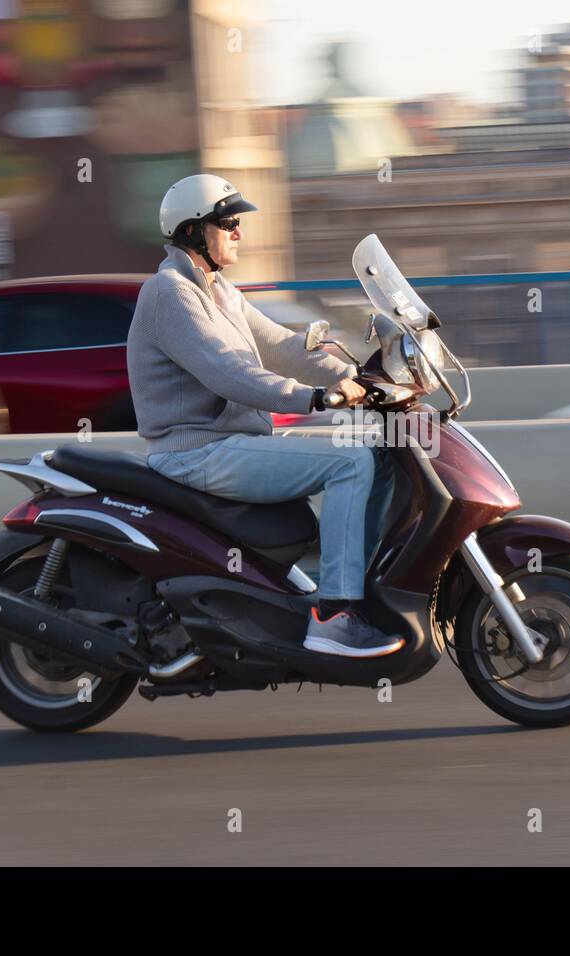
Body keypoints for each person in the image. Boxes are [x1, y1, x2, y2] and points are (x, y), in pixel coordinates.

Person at [127, 173, 404, 658]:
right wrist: (314, 399)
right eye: (228, 222)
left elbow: (283, 346)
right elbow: (226, 371)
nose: (238, 232)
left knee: (379, 454)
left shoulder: (219, 292)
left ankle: (364, 584)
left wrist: (360, 375)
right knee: (351, 461)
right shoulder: (170, 293)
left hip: (229, 445)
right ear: (194, 232)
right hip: (197, 452)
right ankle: (335, 615)